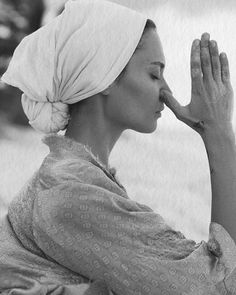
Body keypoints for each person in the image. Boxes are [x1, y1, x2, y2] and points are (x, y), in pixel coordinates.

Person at [0, 0, 236, 294]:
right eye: (154, 73)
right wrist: (219, 133)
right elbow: (216, 285)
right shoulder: (73, 194)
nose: (167, 91)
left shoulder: (70, 181)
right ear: (104, 77)